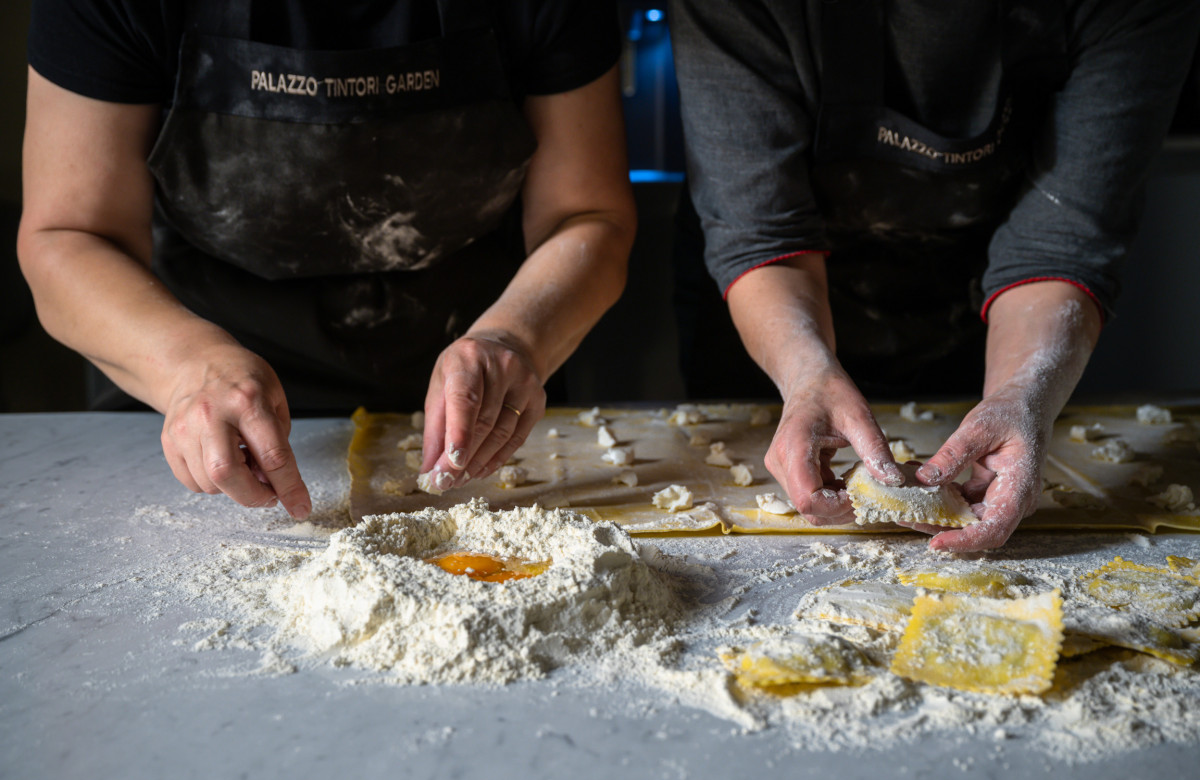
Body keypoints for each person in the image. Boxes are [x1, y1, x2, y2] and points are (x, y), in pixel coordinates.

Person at [18, 0, 636, 521]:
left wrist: (516, 337)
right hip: (193, 399)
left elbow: (588, 217)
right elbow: (68, 234)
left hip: (473, 405)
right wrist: (185, 367)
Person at [669, 0, 1200, 551]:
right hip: (776, 312)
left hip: (982, 310)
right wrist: (804, 373)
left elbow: (1059, 242)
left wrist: (1023, 390)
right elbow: (764, 231)